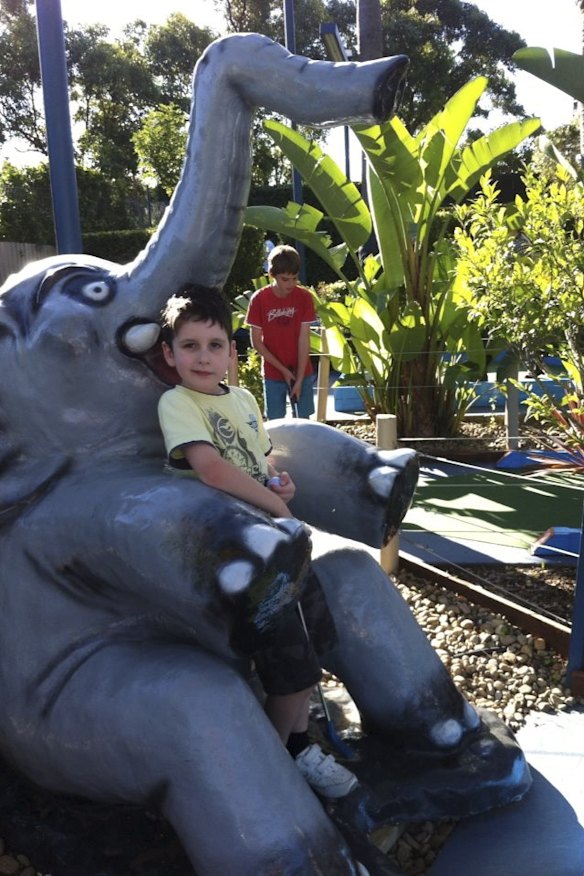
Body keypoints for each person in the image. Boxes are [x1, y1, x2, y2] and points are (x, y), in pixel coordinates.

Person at [157, 285, 358, 799]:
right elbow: (211, 468)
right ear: (170, 354)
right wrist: (279, 506)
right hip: (238, 551)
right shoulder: (177, 402)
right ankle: (270, 768)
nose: (204, 357)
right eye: (190, 346)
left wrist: (277, 484)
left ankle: (297, 747)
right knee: (291, 666)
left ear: (232, 351)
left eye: (215, 345)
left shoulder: (243, 399)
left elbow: (258, 460)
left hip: (276, 540)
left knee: (310, 648)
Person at [246, 244, 316, 420]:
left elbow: (304, 339)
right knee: (275, 421)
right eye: (285, 279)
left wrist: (299, 379)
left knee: (303, 421)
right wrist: (283, 370)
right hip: (273, 372)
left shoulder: (304, 297)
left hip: (302, 371)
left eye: (294, 278)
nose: (291, 284)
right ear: (272, 275)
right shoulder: (259, 299)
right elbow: (256, 342)